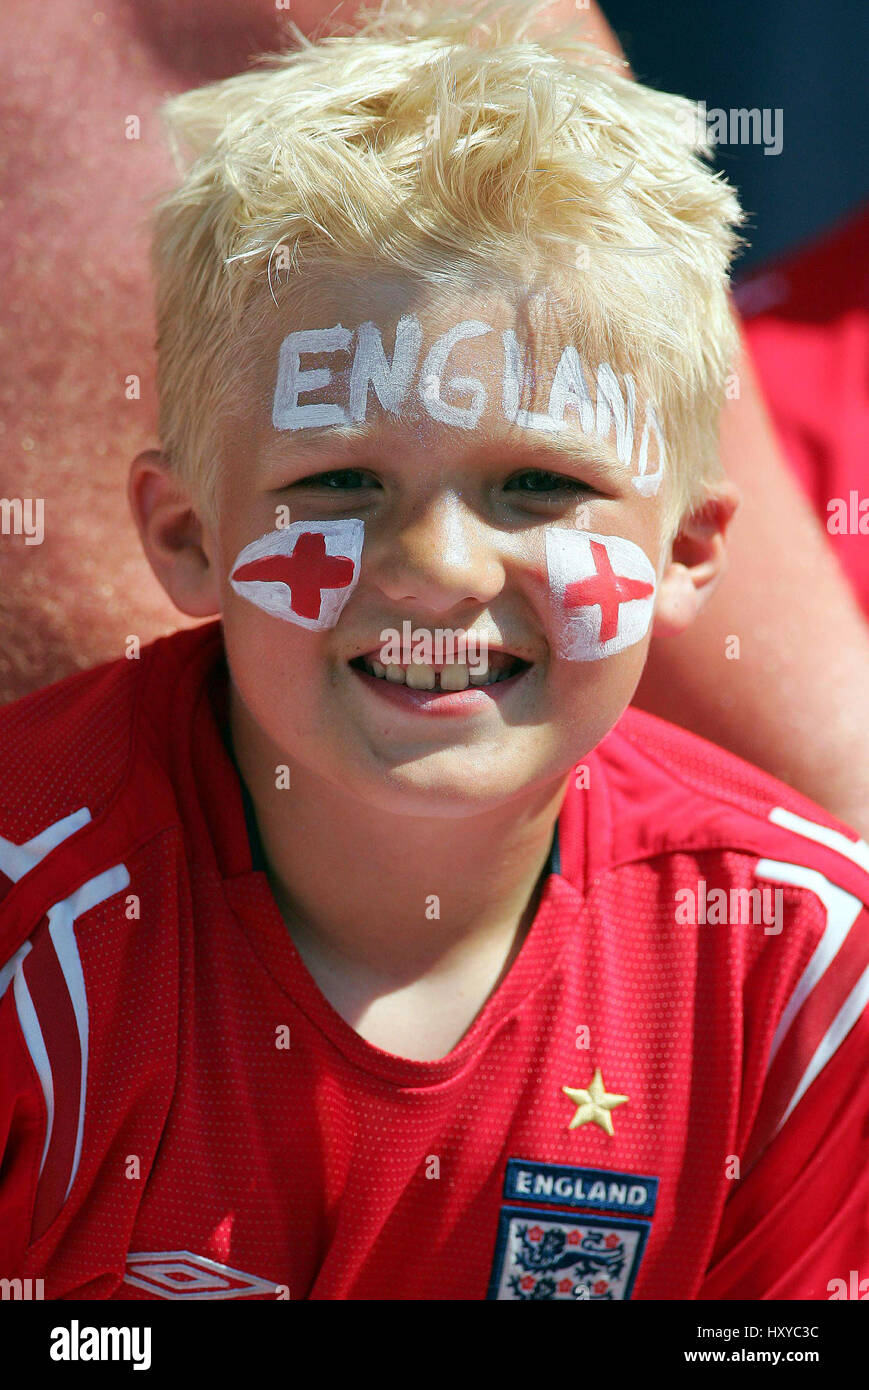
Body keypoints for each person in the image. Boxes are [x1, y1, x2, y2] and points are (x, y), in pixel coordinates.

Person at [0, 1, 865, 1301]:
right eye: (341, 478)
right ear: (182, 533)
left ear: (691, 549)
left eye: (533, 481)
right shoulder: (32, 929)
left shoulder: (799, 964)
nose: (437, 567)